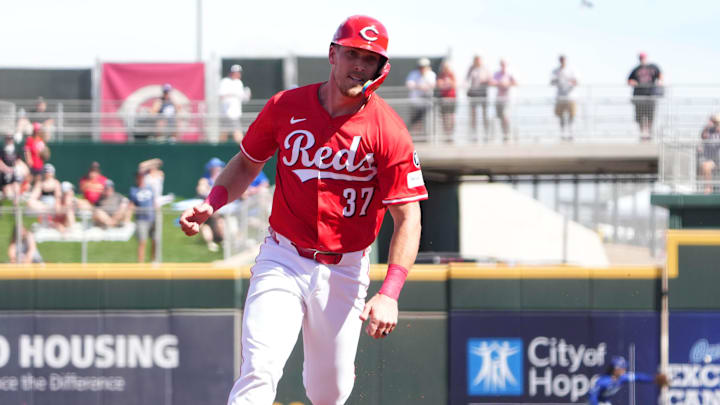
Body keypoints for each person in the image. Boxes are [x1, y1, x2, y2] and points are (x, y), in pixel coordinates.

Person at [180, 15, 427, 405]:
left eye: (370, 58)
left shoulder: (388, 130)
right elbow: (247, 162)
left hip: (345, 268)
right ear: (333, 54)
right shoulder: (286, 106)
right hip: (284, 256)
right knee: (260, 369)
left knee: (328, 393)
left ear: (382, 68)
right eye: (352, 54)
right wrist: (212, 203)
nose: (360, 65)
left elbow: (408, 216)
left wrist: (391, 292)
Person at [587, 355, 668, 405]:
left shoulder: (622, 378)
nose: (624, 370)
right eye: (622, 368)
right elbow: (592, 395)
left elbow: (638, 377)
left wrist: (653, 379)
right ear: (615, 369)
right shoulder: (603, 381)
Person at [628, 52, 663, 140]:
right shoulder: (636, 69)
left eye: (643, 58)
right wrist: (635, 83)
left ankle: (649, 134)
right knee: (640, 117)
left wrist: (660, 82)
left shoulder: (653, 67)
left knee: (650, 116)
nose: (642, 59)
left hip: (650, 96)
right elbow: (629, 80)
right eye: (641, 58)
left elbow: (660, 75)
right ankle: (643, 135)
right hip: (639, 97)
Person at [196, 157, 227, 252]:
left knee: (221, 221)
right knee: (205, 226)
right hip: (207, 208)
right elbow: (200, 190)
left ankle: (223, 241)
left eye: (218, 167)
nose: (217, 169)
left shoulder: (224, 179)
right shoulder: (205, 180)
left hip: (218, 210)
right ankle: (211, 243)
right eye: (215, 167)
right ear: (211, 168)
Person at [219, 64, 252, 143]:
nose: (238, 74)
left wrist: (247, 95)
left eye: (239, 72)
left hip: (235, 113)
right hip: (226, 113)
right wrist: (233, 94)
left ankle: (240, 149)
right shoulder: (225, 82)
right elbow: (221, 95)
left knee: (234, 132)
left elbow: (244, 98)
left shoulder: (239, 83)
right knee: (226, 133)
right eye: (235, 72)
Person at [129, 171, 157, 262]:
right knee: (142, 241)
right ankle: (140, 264)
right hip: (141, 219)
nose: (140, 179)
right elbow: (131, 205)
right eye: (138, 177)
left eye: (142, 177)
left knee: (155, 240)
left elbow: (154, 202)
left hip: (152, 218)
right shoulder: (134, 190)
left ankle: (153, 261)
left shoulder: (150, 188)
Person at [405, 57, 436, 138]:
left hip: (427, 104)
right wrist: (420, 86)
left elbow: (431, 85)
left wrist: (419, 86)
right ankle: (417, 137)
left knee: (426, 121)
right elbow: (409, 84)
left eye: (424, 66)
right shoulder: (413, 73)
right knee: (415, 121)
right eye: (421, 66)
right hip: (415, 103)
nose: (422, 68)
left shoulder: (431, 74)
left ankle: (425, 137)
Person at [551, 55, 579, 140]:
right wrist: (557, 80)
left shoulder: (572, 70)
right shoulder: (555, 71)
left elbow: (576, 81)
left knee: (572, 116)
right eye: (561, 60)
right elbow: (552, 81)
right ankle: (562, 133)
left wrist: (570, 81)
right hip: (560, 96)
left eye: (563, 60)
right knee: (560, 116)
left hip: (571, 96)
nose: (562, 61)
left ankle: (571, 133)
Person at [27, 163, 62, 227]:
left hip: (53, 206)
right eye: (46, 171)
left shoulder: (56, 183)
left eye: (49, 171)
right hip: (43, 206)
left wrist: (57, 204)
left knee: (59, 206)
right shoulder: (40, 183)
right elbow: (33, 197)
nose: (47, 173)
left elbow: (58, 197)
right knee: (30, 203)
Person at [466, 55, 492, 139]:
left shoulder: (485, 68)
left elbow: (490, 79)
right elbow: (467, 79)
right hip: (473, 93)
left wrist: (484, 81)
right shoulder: (471, 68)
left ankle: (486, 134)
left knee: (485, 114)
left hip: (483, 93)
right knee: (473, 115)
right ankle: (474, 135)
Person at [493, 59, 517, 141]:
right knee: (500, 117)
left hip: (507, 99)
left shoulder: (510, 74)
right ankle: (504, 133)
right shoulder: (496, 74)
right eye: (502, 64)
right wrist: (499, 83)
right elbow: (492, 82)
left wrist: (507, 84)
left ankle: (507, 134)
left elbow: (516, 83)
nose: (503, 66)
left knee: (505, 115)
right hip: (498, 99)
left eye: (504, 64)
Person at [698, 113, 720, 194]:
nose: (715, 124)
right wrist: (707, 127)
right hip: (710, 159)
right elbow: (703, 136)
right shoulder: (709, 130)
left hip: (718, 158)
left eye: (716, 122)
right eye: (714, 122)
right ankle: (708, 188)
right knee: (705, 167)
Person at [436, 61, 457, 138]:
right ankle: (446, 134)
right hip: (443, 99)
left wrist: (447, 83)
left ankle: (451, 133)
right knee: (444, 117)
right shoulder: (441, 76)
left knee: (451, 116)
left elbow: (454, 85)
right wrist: (445, 83)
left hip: (451, 99)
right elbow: (439, 85)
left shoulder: (452, 75)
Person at [0, 134, 21, 203]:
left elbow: (18, 160)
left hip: (13, 172)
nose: (9, 141)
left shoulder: (15, 149)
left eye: (11, 139)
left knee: (16, 188)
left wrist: (15, 167)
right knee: (7, 194)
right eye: (8, 139)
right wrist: (7, 169)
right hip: (5, 173)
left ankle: (16, 207)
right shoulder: (2, 151)